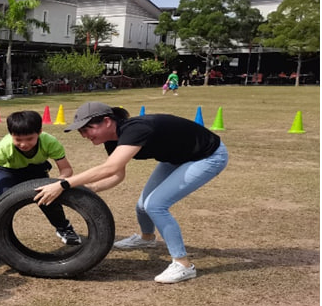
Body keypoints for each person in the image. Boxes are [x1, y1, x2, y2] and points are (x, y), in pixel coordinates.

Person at [34, 102, 229, 284]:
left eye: (87, 129)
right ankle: (147, 239)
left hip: (208, 156)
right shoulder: (112, 140)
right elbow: (118, 175)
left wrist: (64, 184)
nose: (84, 135)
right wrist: (92, 188)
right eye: (81, 131)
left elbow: (110, 168)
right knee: (143, 206)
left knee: (155, 205)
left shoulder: (135, 129)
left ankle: (183, 265)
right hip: (177, 158)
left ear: (107, 121)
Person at [0, 110, 81, 269]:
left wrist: (57, 184)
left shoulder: (50, 142)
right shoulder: (5, 147)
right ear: (11, 134)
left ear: (40, 132)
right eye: (18, 139)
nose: (23, 144)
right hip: (8, 171)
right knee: (3, 208)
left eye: (29, 139)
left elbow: (66, 170)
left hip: (35, 170)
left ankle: (64, 228)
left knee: (48, 197)